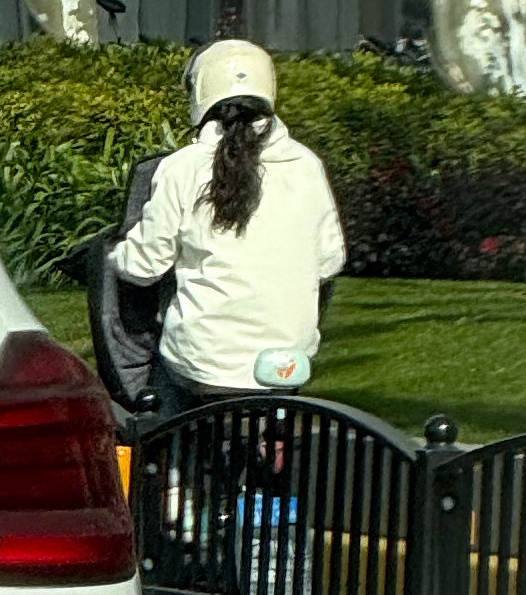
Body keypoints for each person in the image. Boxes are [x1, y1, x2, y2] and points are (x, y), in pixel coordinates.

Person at [110, 39, 348, 410]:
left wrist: (113, 256)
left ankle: (168, 456)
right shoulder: (306, 164)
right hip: (286, 367)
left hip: (204, 366)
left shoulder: (183, 167)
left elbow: (144, 266)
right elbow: (330, 261)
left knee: (161, 379)